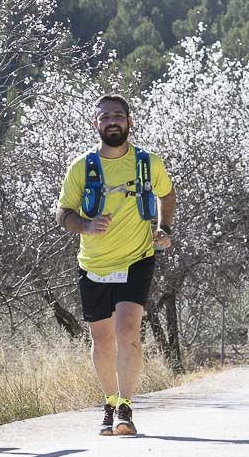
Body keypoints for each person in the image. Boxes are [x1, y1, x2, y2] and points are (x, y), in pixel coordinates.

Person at [56, 94, 176, 436]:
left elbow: (167, 194)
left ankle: (125, 407)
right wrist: (85, 225)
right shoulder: (82, 167)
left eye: (118, 115)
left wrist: (164, 229)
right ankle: (109, 403)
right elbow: (62, 213)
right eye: (105, 116)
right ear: (96, 124)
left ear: (129, 121)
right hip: (93, 263)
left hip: (137, 258)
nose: (112, 121)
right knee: (103, 339)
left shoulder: (146, 163)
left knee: (127, 331)